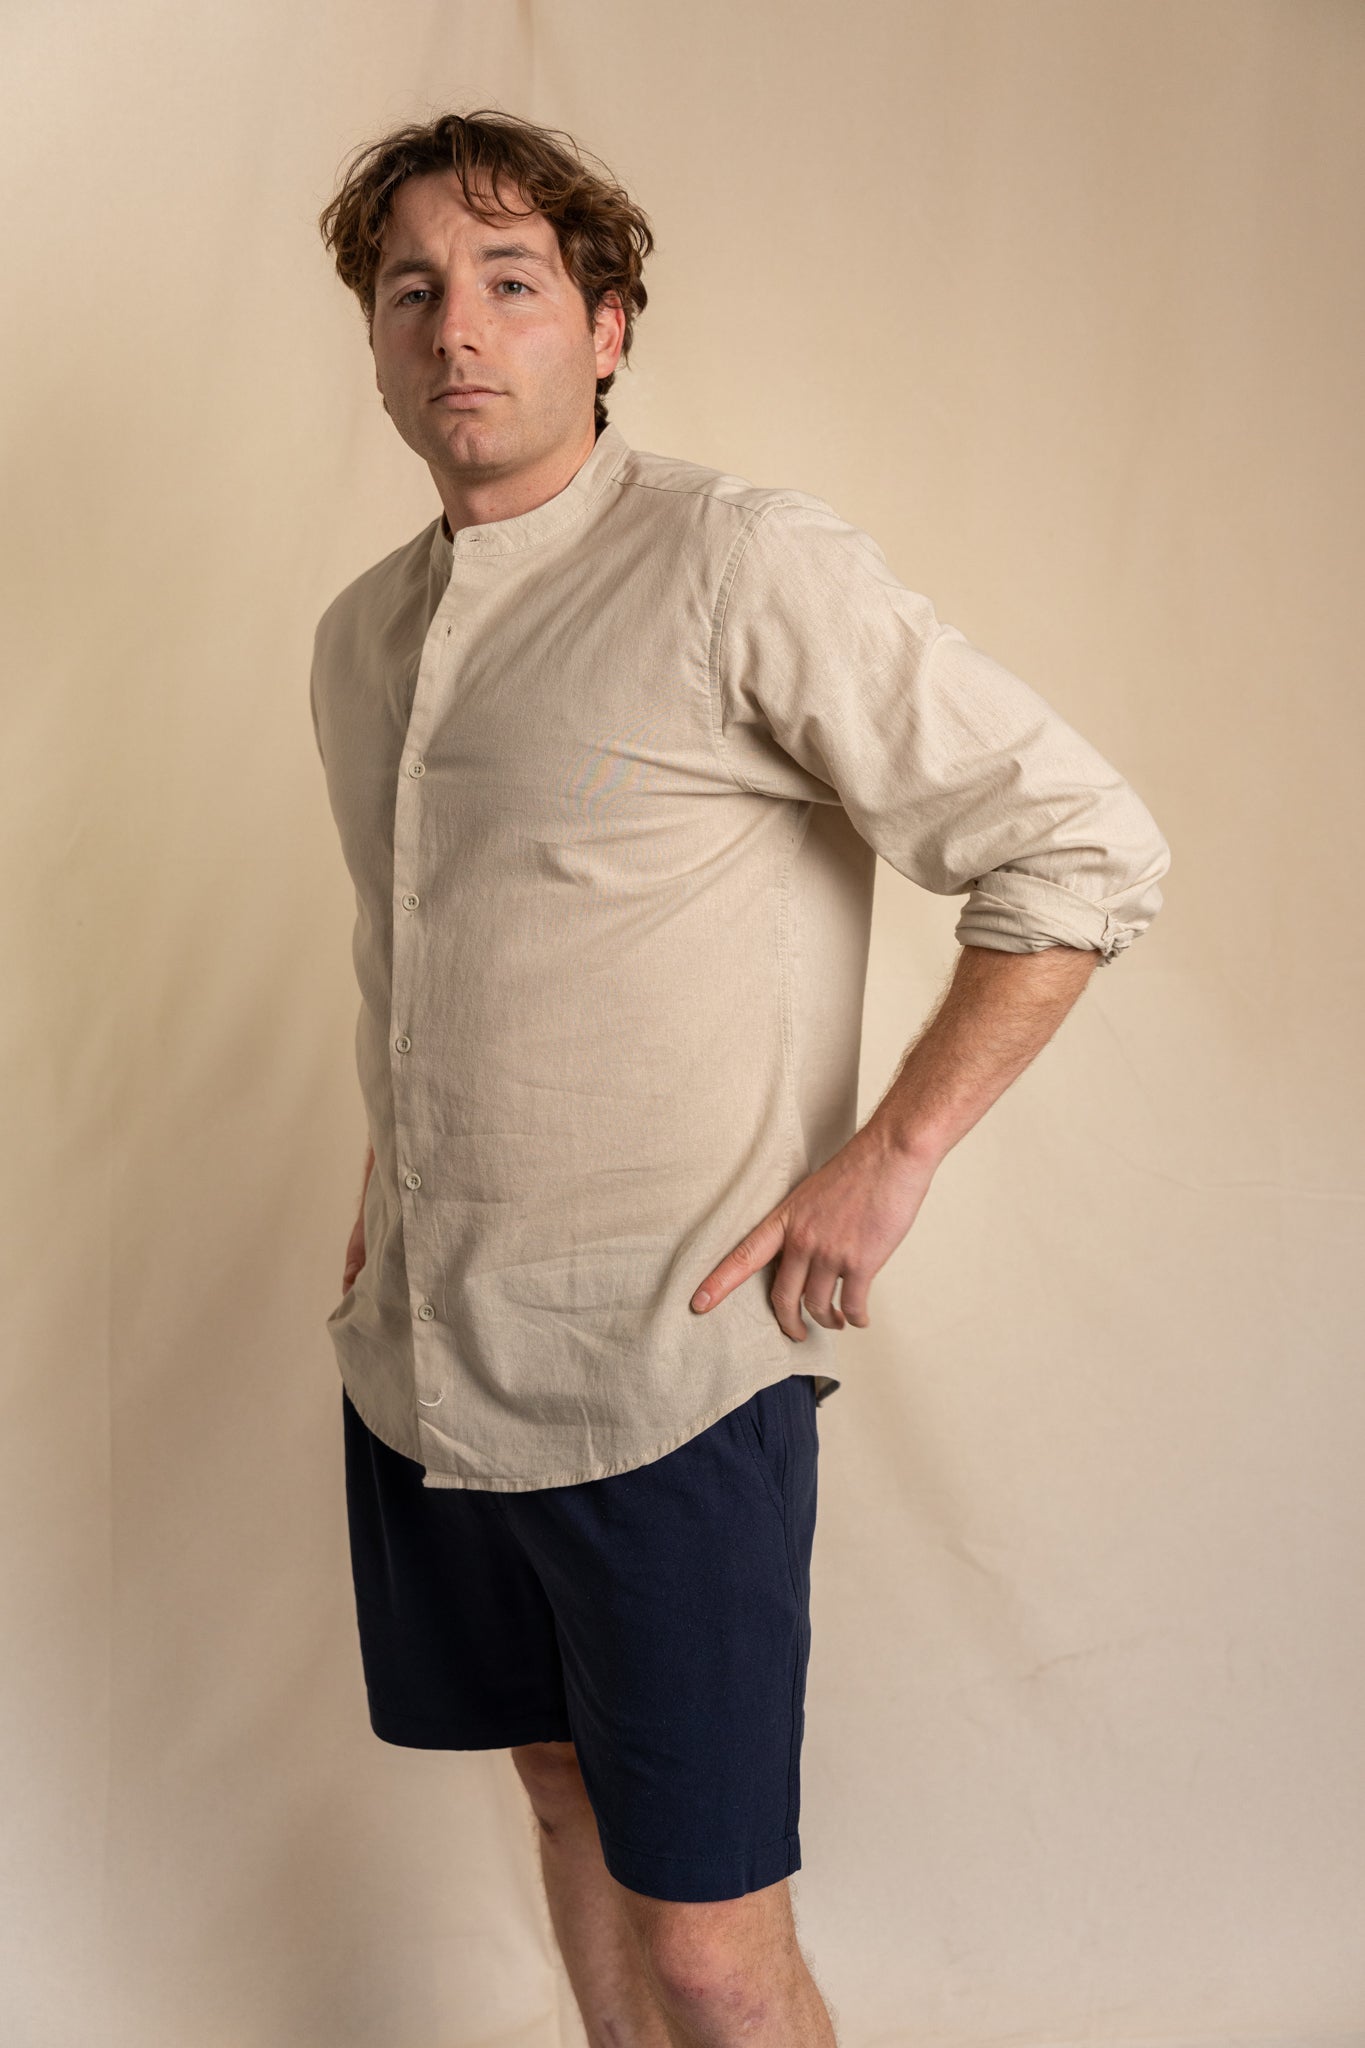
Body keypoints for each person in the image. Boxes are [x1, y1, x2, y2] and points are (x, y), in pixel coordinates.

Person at [310, 106, 1170, 2046]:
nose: (458, 327)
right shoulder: (360, 638)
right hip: (420, 1365)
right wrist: (385, 1188)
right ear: (373, 342)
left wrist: (894, 1153)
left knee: (707, 1937)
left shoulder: (732, 561)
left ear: (606, 326)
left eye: (512, 281)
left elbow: (1078, 847)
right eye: (413, 290)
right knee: (557, 1793)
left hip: (661, 1376)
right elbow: (431, 943)